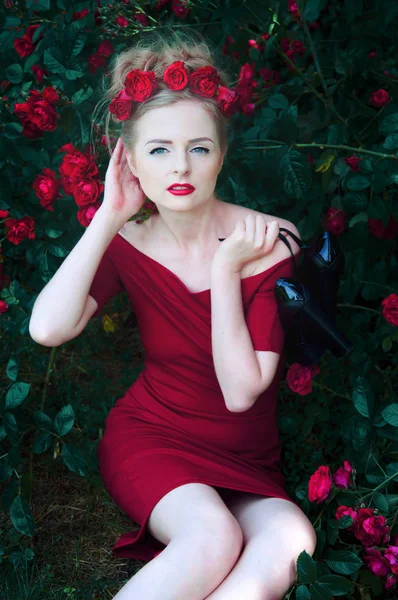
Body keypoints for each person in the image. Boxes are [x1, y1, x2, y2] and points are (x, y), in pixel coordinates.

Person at [29, 28, 316, 600]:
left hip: (246, 454)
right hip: (154, 436)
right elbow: (47, 328)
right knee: (212, 538)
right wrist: (110, 214)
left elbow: (241, 391)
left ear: (221, 154)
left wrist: (223, 271)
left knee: (293, 540)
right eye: (159, 149)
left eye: (199, 147)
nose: (180, 166)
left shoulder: (271, 241)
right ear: (129, 159)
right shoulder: (128, 241)